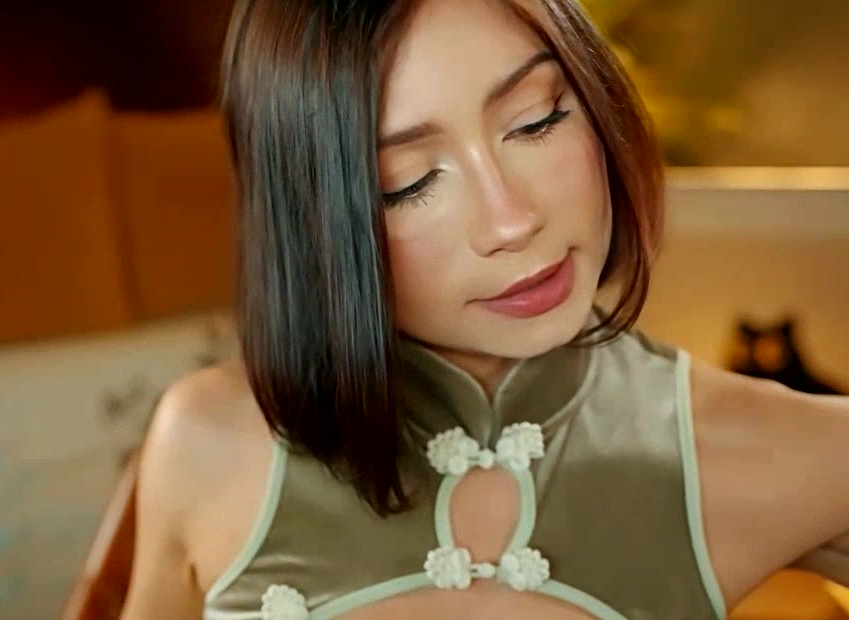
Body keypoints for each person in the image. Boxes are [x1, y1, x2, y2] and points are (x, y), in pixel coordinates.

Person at [120, 0, 849, 617]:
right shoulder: (206, 442)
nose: (510, 221)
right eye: (406, 182)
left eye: (536, 121)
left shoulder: (790, 452)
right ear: (311, 222)